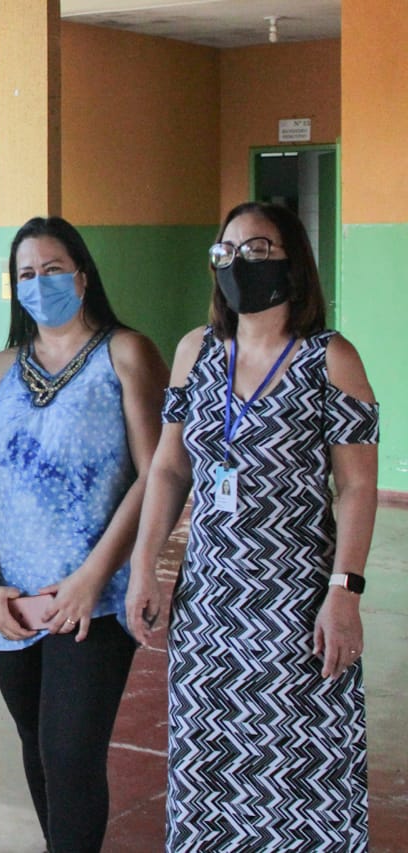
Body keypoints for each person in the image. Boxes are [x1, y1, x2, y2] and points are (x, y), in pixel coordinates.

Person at [127, 202, 378, 851]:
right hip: (210, 601)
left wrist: (345, 589)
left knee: (302, 761)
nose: (241, 263)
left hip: (297, 603)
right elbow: (168, 468)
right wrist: (145, 564)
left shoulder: (330, 359)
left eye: (259, 249)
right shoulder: (195, 351)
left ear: (292, 262)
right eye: (228, 251)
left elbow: (355, 484)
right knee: (211, 765)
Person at [0, 216, 166, 852]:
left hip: (93, 600)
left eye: (52, 269)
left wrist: (91, 580)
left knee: (71, 755)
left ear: (81, 274)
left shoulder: (125, 353)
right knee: (38, 749)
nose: (39, 282)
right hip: (12, 603)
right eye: (25, 273)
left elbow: (155, 475)